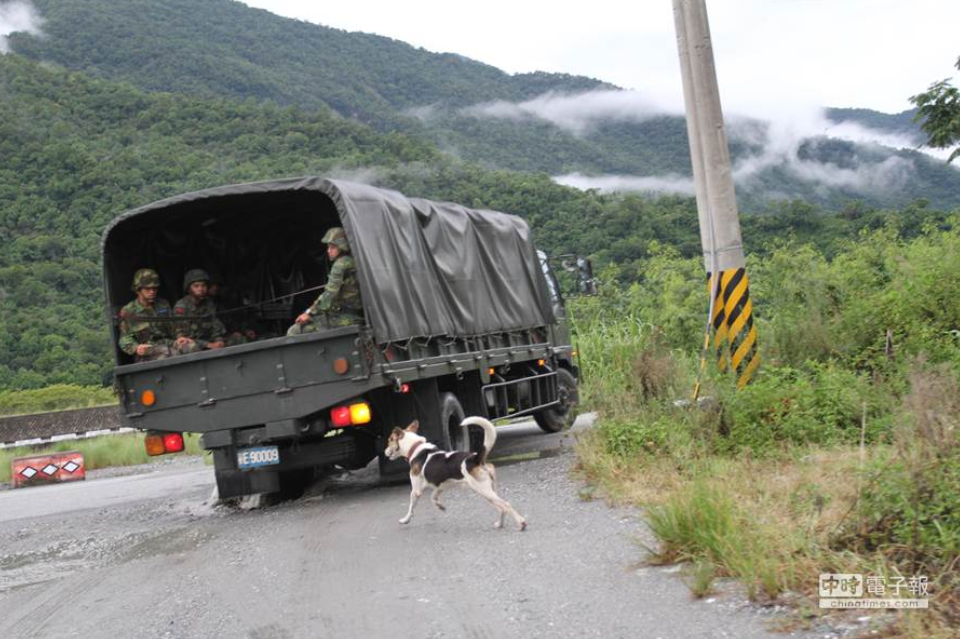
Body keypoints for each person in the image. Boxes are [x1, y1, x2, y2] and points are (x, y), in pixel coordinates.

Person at [287, 227, 364, 335]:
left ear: (341, 247)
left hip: (343, 319)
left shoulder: (341, 264)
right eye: (328, 247)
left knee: (295, 331)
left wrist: (309, 313)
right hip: (350, 316)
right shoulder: (351, 261)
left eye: (332, 247)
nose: (328, 251)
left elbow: (329, 293)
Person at [118, 268, 193, 362]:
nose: (152, 292)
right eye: (148, 289)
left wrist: (180, 336)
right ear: (138, 289)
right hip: (147, 350)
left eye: (154, 288)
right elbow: (125, 337)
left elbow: (174, 326)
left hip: (167, 343)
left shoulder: (163, 304)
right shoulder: (128, 311)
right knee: (170, 355)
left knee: (191, 347)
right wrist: (136, 348)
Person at [174, 269, 226, 351]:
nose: (201, 289)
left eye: (203, 285)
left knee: (237, 338)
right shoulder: (181, 306)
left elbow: (215, 327)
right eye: (196, 286)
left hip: (209, 341)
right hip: (193, 343)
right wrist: (208, 345)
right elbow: (184, 337)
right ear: (188, 289)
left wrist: (219, 341)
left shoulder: (209, 303)